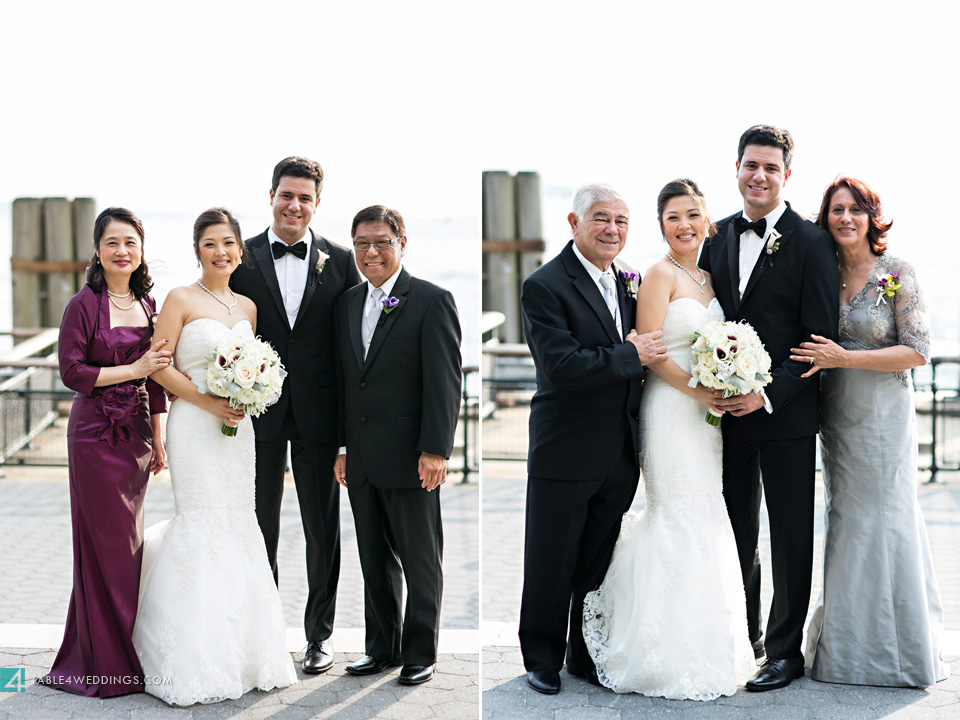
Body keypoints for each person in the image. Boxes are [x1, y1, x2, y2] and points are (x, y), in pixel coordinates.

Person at [582, 179, 756, 700]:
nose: (684, 225)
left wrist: (732, 374)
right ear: (661, 225)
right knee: (675, 512)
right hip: (670, 410)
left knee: (705, 512)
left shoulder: (709, 277)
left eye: (693, 215)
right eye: (673, 216)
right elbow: (651, 351)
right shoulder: (658, 275)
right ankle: (655, 646)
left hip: (707, 419)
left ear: (709, 222)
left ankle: (710, 642)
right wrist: (701, 391)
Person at [132, 208, 297, 705]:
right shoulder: (180, 298)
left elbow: (256, 364)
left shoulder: (247, 307)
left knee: (238, 522)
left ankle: (245, 651)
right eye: (210, 244)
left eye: (229, 243)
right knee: (201, 520)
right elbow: (158, 368)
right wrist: (209, 402)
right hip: (194, 427)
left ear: (240, 250)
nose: (220, 252)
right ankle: (187, 652)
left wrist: (249, 397)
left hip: (237, 431)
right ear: (197, 250)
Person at [790, 177, 949, 687]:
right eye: (836, 210)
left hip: (883, 414)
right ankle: (846, 652)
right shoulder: (822, 270)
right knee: (847, 522)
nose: (845, 219)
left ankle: (900, 653)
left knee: (887, 517)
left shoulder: (897, 273)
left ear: (871, 217)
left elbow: (919, 349)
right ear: (825, 217)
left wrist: (846, 356)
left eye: (855, 210)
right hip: (835, 415)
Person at [698, 124, 839, 691]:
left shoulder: (811, 242)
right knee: (734, 528)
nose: (759, 176)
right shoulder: (716, 235)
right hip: (725, 416)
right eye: (750, 165)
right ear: (736, 169)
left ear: (786, 175)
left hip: (785, 415)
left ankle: (785, 652)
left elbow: (818, 340)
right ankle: (747, 636)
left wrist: (767, 393)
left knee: (788, 534)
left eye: (770, 168)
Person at [518, 183, 667, 695]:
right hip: (565, 447)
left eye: (622, 221)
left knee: (596, 562)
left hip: (619, 451)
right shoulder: (544, 285)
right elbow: (561, 367)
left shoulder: (630, 280)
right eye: (602, 218)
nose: (613, 229)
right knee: (550, 559)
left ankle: (583, 654)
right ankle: (541, 658)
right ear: (574, 223)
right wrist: (631, 354)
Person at [230, 156, 360, 674]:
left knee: (321, 528)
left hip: (320, 417)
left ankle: (319, 637)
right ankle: (264, 634)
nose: (295, 205)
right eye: (287, 194)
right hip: (256, 414)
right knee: (258, 526)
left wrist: (350, 433)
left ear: (317, 203)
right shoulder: (241, 258)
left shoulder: (342, 260)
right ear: (271, 196)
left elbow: (355, 345)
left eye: (305, 197)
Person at [43, 208, 170, 697]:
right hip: (94, 433)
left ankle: (121, 648)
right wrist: (133, 367)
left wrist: (158, 437)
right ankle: (107, 664)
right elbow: (72, 373)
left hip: (135, 433)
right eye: (112, 242)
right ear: (98, 250)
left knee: (129, 545)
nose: (122, 251)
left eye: (131, 243)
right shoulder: (82, 304)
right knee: (104, 546)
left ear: (141, 251)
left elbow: (156, 378)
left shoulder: (149, 303)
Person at [332, 205, 461, 686]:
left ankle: (420, 652)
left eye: (382, 242)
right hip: (361, 458)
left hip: (413, 457)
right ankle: (380, 648)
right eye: (362, 243)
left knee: (420, 559)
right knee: (374, 560)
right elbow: (348, 383)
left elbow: (444, 383)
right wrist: (343, 448)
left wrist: (437, 449)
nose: (371, 252)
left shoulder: (432, 300)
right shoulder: (345, 303)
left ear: (402, 242)